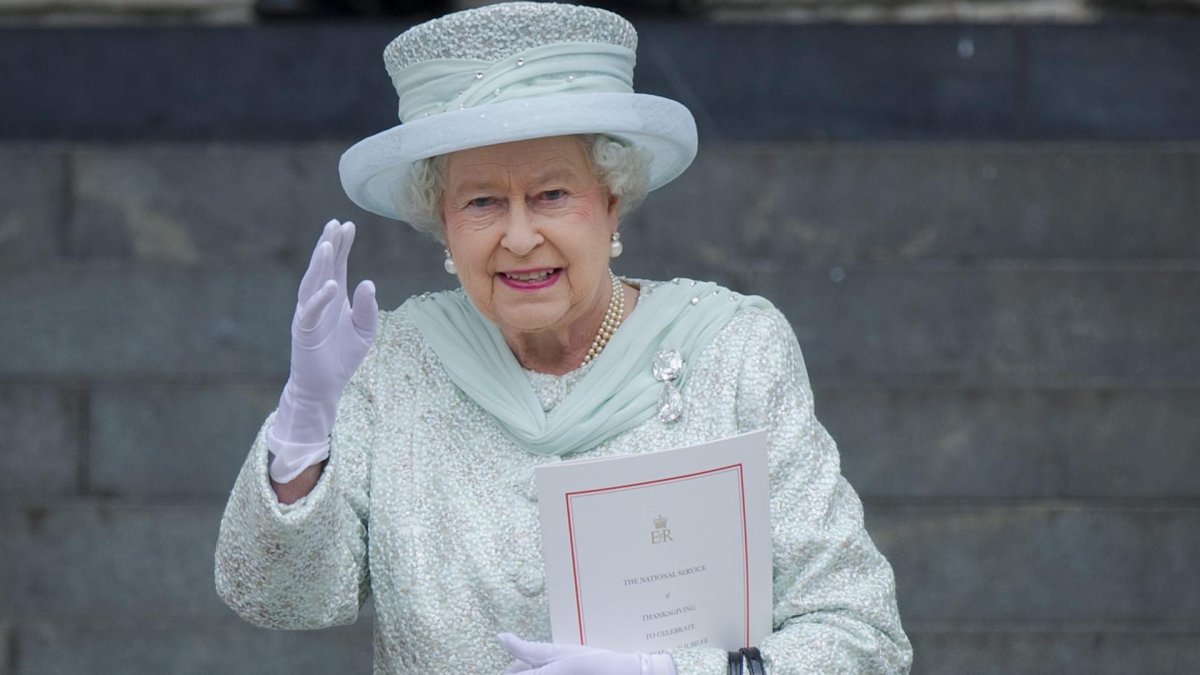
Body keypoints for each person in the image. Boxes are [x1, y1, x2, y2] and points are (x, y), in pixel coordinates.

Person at [214, 3, 912, 673]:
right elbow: (281, 597)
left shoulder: (734, 351)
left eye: (551, 194)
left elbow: (863, 638)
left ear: (612, 203)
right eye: (483, 200)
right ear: (443, 223)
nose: (520, 237)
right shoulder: (392, 363)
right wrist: (304, 425)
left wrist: (668, 671)